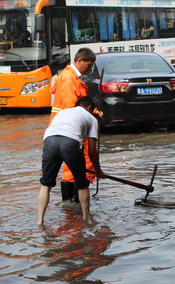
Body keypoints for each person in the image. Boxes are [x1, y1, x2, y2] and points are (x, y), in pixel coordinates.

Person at [37, 96, 105, 225]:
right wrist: (98, 171)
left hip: (49, 141)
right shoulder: (91, 118)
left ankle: (40, 222)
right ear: (90, 108)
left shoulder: (62, 112)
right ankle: (86, 219)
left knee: (46, 183)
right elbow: (92, 151)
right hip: (70, 142)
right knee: (82, 184)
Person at [50, 47, 98, 202]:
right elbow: (73, 107)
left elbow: (80, 104)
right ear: (79, 60)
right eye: (88, 65)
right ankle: (75, 201)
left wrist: (94, 111)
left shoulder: (72, 78)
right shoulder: (69, 79)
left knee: (73, 165)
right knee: (80, 164)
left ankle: (73, 204)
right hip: (71, 129)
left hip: (65, 130)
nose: (89, 69)